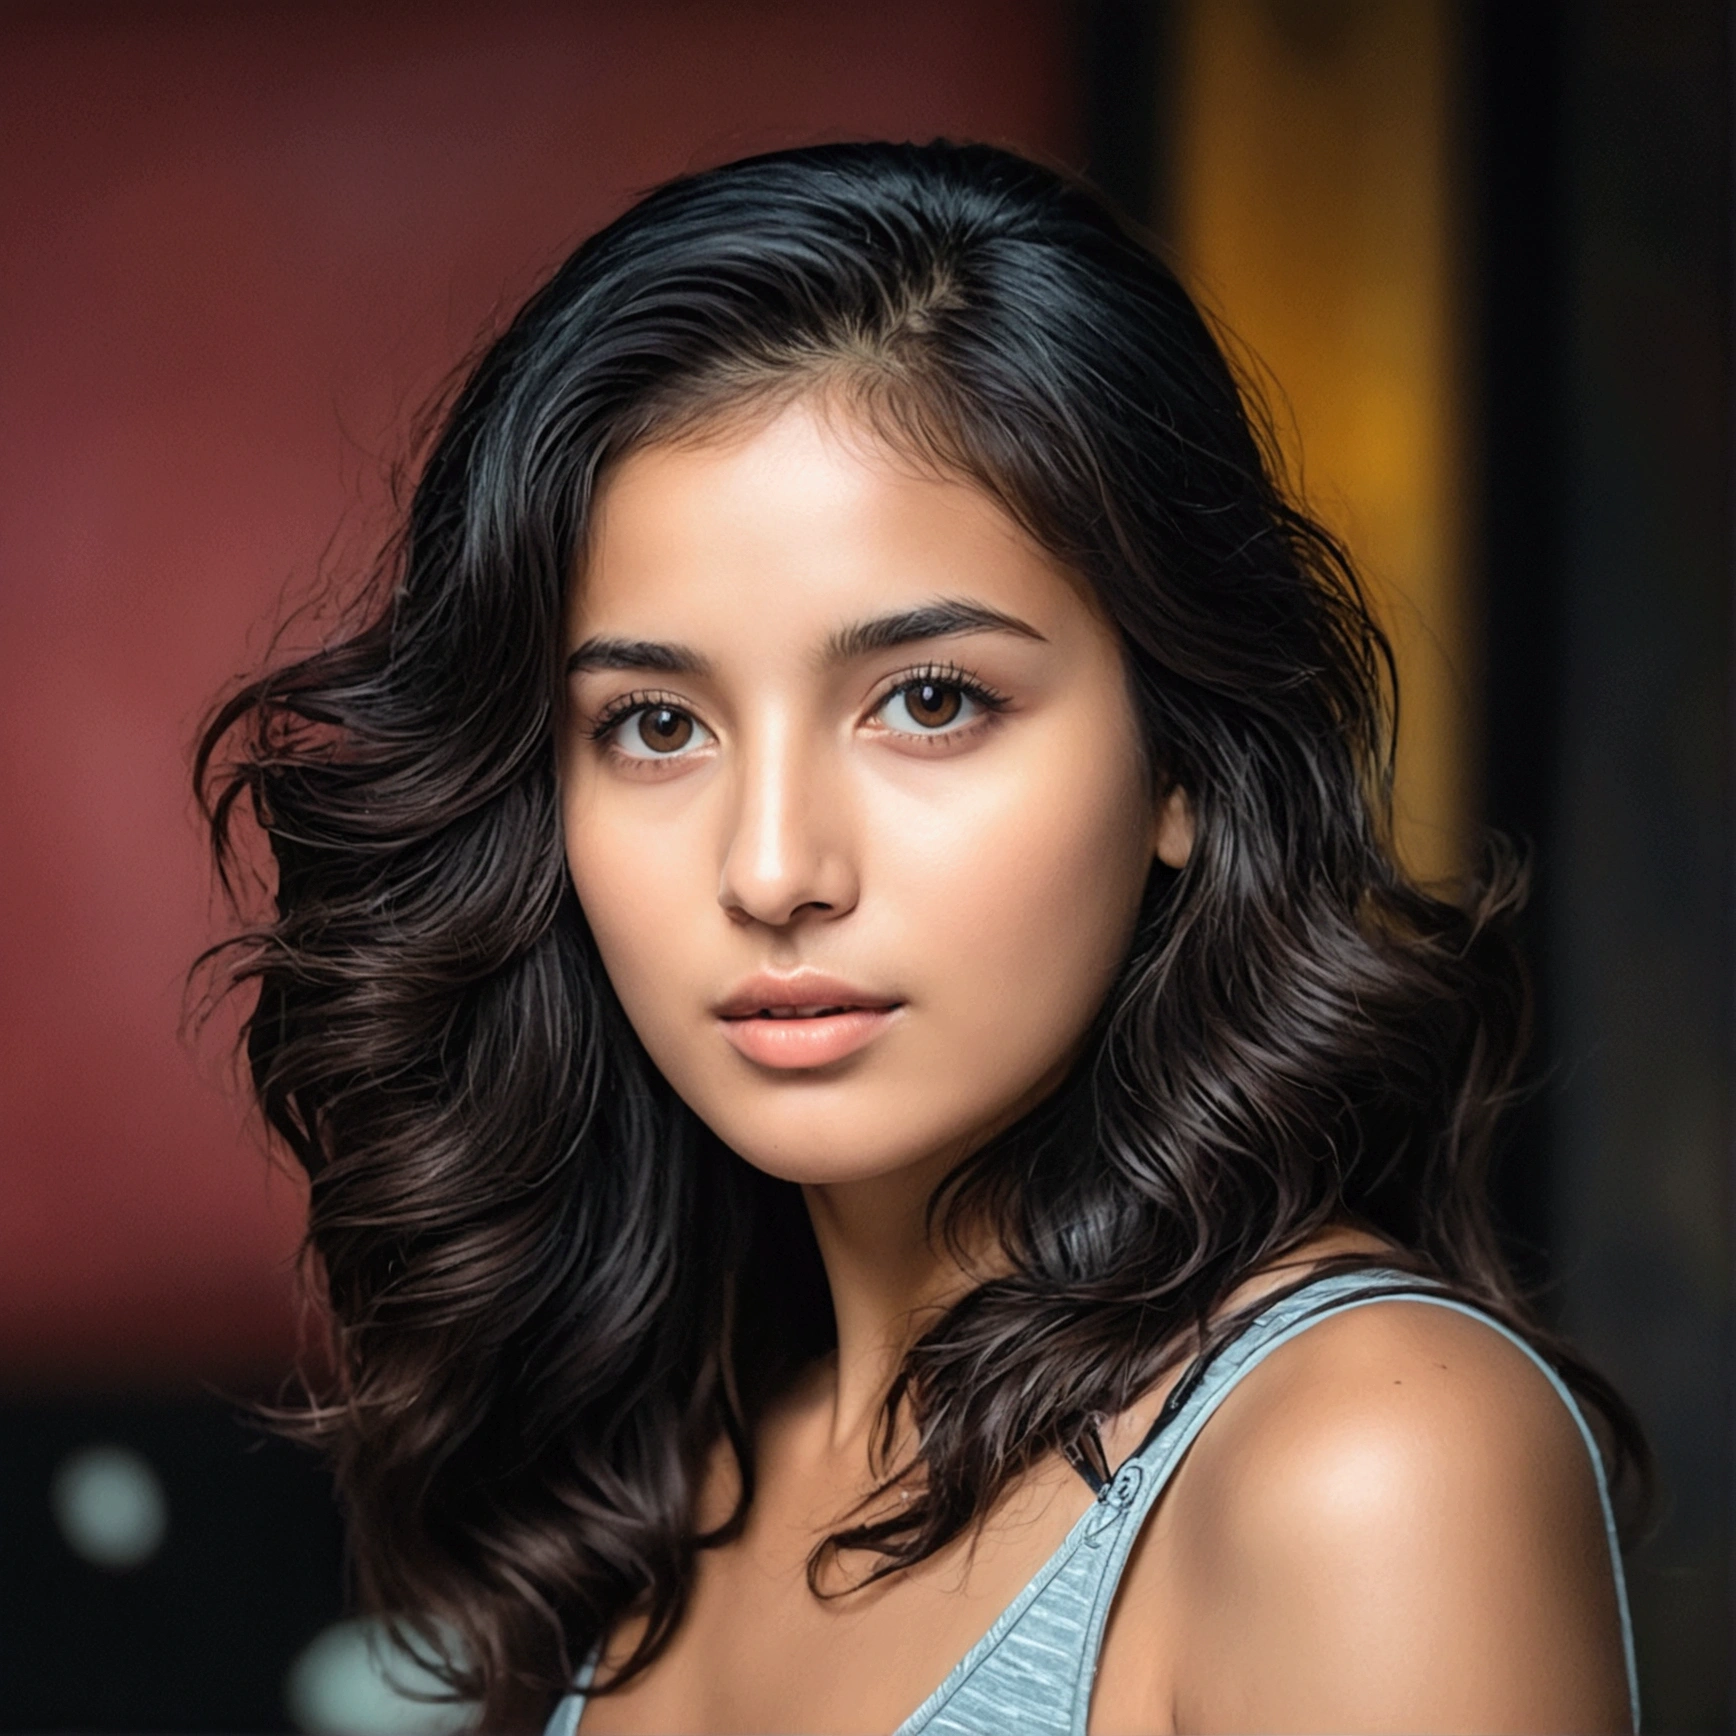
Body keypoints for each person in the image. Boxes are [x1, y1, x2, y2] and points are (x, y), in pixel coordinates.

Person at [198, 141, 1642, 1732]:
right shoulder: (671, 1464)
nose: (772, 868)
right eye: (657, 723)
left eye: (930, 702)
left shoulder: (1360, 1462)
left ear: (1182, 761)